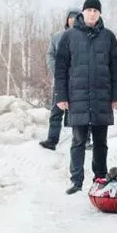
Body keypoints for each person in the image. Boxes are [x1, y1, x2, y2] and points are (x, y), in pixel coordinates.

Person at [55, 0, 117, 194]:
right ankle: (76, 181)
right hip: (77, 98)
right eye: (89, 10)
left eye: (96, 10)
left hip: (102, 96)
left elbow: (116, 67)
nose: (92, 13)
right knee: (78, 141)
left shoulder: (108, 37)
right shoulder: (69, 36)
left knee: (101, 142)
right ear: (82, 13)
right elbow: (60, 68)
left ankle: (100, 178)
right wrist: (61, 96)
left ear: (100, 14)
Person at [40, 9, 80, 151]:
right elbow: (50, 55)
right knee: (56, 111)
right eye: (70, 17)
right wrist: (57, 71)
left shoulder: (83, 37)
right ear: (66, 20)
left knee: (80, 113)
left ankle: (84, 140)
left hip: (78, 82)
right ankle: (52, 140)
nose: (73, 20)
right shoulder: (57, 36)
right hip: (60, 82)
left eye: (76, 18)